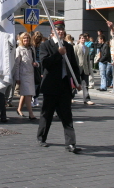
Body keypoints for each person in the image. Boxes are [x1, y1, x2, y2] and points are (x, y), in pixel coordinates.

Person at [37, 20, 82, 153]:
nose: (60, 31)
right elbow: (45, 63)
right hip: (50, 86)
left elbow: (74, 66)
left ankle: (71, 143)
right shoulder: (46, 45)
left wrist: (77, 82)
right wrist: (58, 54)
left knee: (67, 115)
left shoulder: (68, 46)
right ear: (52, 30)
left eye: (62, 29)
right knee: (47, 114)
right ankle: (41, 137)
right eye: (57, 29)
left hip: (64, 86)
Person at [13, 32, 38, 119]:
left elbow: (35, 60)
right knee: (28, 94)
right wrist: (17, 77)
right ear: (21, 39)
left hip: (31, 73)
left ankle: (19, 109)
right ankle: (31, 113)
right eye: (24, 38)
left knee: (25, 93)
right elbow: (17, 65)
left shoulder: (31, 48)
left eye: (27, 38)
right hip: (23, 74)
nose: (26, 40)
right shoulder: (18, 49)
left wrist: (36, 64)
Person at [74, 34, 95, 105]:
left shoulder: (87, 48)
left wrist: (89, 70)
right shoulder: (76, 47)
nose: (83, 39)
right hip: (78, 68)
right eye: (82, 38)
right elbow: (74, 58)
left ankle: (87, 99)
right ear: (79, 39)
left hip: (85, 68)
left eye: (84, 38)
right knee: (75, 83)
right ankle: (71, 97)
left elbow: (88, 59)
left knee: (86, 84)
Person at [31, 31, 44, 107]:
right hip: (32, 65)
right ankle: (32, 97)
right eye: (37, 38)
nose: (38, 39)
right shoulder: (31, 45)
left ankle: (35, 97)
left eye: (39, 38)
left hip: (40, 65)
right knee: (33, 82)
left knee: (38, 82)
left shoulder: (41, 45)